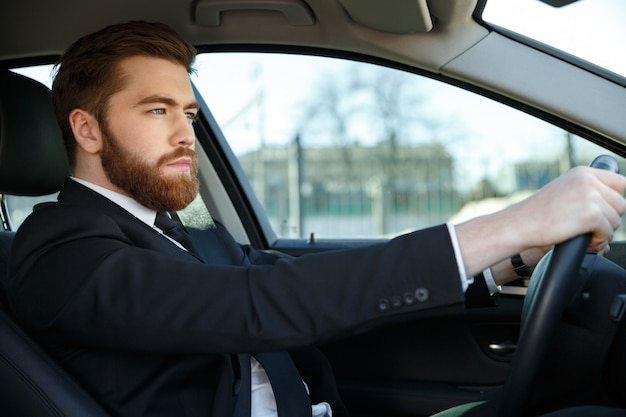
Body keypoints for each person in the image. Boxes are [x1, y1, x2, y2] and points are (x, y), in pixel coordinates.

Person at [5, 21, 626, 417]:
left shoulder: (185, 235)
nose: (185, 133)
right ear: (87, 129)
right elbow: (262, 303)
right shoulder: (58, 254)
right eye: (156, 110)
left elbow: (321, 286)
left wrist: (504, 262)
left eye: (188, 114)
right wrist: (518, 220)